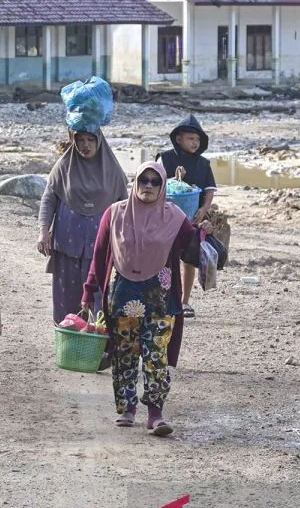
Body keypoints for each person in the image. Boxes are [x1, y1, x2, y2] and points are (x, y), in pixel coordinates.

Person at [82, 161, 201, 437]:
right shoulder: (114, 213)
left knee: (156, 354)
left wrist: (204, 232)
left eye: (155, 181)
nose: (148, 186)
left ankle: (156, 414)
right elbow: (99, 254)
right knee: (124, 354)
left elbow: (192, 249)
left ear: (163, 186)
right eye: (143, 180)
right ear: (135, 183)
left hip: (160, 298)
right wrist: (89, 290)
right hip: (122, 296)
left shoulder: (175, 217)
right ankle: (127, 408)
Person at [37, 129, 129, 325]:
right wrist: (43, 232)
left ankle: (98, 340)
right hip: (66, 246)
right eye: (80, 140)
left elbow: (125, 208)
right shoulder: (64, 166)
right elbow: (48, 199)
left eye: (90, 140)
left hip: (101, 246)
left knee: (98, 296)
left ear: (99, 142)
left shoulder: (112, 170)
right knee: (66, 298)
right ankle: (68, 338)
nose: (85, 145)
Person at [158, 115, 216, 318]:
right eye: (191, 138)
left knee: (189, 260)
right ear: (179, 138)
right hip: (165, 218)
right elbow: (155, 184)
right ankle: (163, 299)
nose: (195, 143)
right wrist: (175, 178)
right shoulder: (164, 159)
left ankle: (184, 301)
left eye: (198, 139)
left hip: (193, 219)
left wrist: (204, 209)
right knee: (164, 259)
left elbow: (209, 190)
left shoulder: (203, 164)